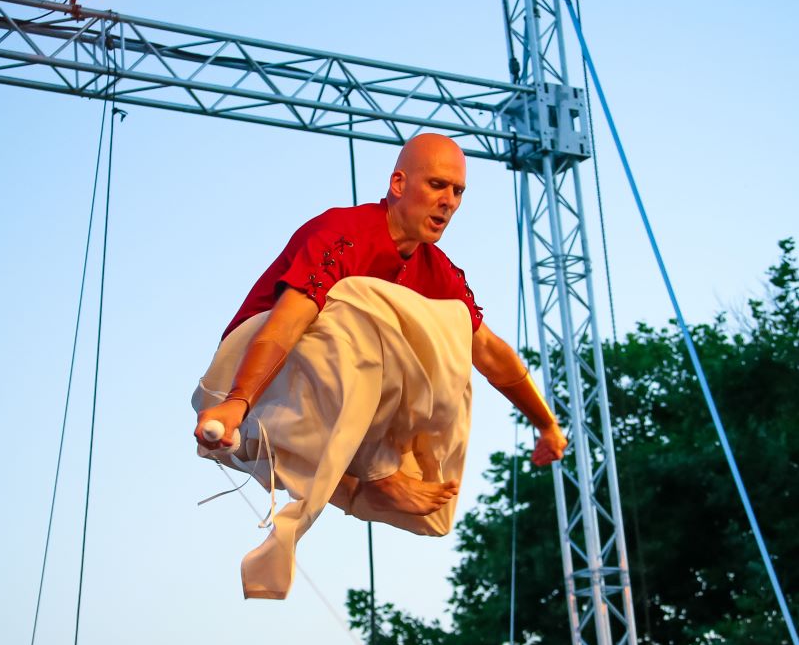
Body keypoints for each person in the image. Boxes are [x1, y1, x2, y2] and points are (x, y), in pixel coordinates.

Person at [193, 132, 567, 520]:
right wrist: (238, 399)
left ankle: (358, 483)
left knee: (450, 326)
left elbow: (489, 352)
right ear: (398, 184)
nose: (449, 202)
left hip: (313, 405)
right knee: (361, 308)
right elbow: (287, 323)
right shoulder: (342, 233)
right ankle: (376, 473)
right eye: (437, 185)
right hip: (250, 380)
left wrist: (547, 426)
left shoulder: (435, 269)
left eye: (457, 192)